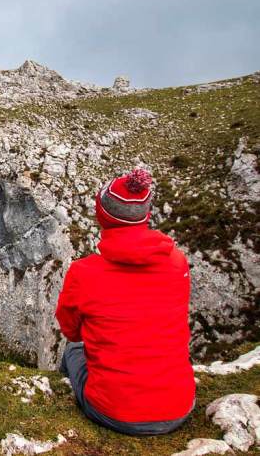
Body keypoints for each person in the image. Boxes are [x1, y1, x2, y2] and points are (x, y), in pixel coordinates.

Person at [56, 168, 195, 435]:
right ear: (146, 215)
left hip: (115, 412)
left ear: (102, 216)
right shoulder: (177, 262)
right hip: (179, 406)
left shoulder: (85, 273)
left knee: (73, 349)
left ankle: (60, 392)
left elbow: (71, 331)